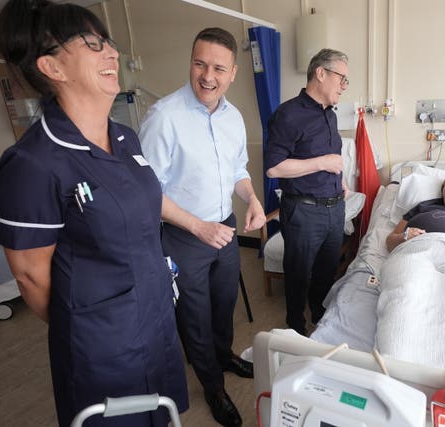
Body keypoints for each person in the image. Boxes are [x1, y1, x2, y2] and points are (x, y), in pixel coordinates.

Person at [0, 1, 189, 425]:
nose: (112, 54)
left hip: (156, 319)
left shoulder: (126, 138)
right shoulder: (33, 163)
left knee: (164, 415)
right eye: (93, 44)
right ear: (52, 67)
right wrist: (90, 321)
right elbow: (30, 275)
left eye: (109, 43)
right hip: (103, 347)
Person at [139, 27, 265, 427]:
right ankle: (213, 386)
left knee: (223, 304)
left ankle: (224, 357)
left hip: (224, 230)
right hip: (182, 237)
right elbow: (146, 192)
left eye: (217, 68)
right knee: (194, 316)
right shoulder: (164, 117)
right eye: (199, 64)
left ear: (232, 74)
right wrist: (198, 227)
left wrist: (254, 198)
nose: (207, 76)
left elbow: (237, 169)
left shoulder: (233, 117)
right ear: (190, 63)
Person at [265, 49, 350, 336]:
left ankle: (318, 314)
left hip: (334, 207)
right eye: (341, 78)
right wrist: (322, 163)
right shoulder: (288, 114)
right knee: (298, 273)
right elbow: (274, 168)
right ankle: (295, 326)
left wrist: (340, 181)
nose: (343, 86)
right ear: (321, 73)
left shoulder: (331, 117)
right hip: (303, 210)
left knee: (327, 269)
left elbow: (332, 159)